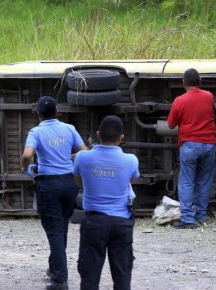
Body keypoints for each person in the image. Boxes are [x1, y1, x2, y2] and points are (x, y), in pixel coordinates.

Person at [21, 96, 87, 290]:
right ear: (57, 112)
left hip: (48, 184)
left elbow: (27, 154)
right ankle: (54, 267)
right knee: (61, 226)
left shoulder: (37, 131)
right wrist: (70, 160)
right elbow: (84, 152)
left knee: (54, 230)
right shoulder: (69, 129)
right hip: (69, 182)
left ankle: (59, 278)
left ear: (39, 114)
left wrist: (26, 168)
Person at [73, 115, 140, 290]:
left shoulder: (82, 158)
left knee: (89, 274)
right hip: (121, 223)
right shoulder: (131, 160)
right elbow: (130, 179)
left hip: (94, 222)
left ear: (97, 134)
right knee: (122, 275)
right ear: (121, 137)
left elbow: (79, 184)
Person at [167, 68, 216, 229]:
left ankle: (188, 219)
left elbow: (171, 124)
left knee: (187, 182)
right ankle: (201, 215)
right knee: (204, 180)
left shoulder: (179, 101)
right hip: (209, 144)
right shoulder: (209, 96)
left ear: (183, 83)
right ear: (200, 82)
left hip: (190, 145)